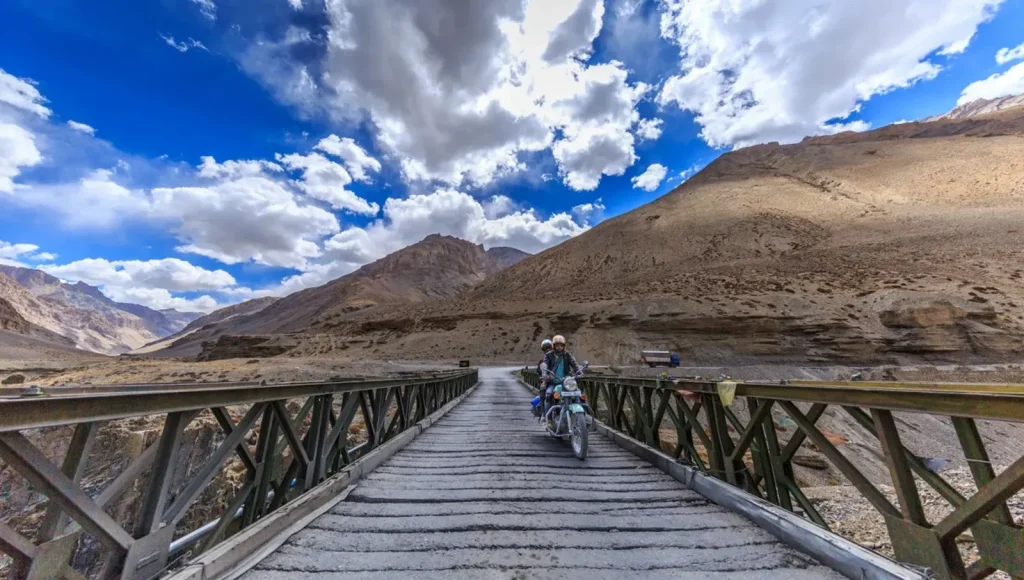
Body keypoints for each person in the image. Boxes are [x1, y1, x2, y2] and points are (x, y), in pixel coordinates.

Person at [539, 334, 580, 420]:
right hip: (553, 381)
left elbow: (574, 364)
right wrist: (545, 375)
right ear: (554, 346)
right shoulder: (549, 355)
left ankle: (580, 416)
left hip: (565, 381)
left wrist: (579, 372)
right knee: (548, 395)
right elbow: (545, 365)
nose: (559, 347)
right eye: (557, 345)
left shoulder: (567, 354)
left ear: (564, 346)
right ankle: (548, 419)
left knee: (578, 393)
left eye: (561, 345)